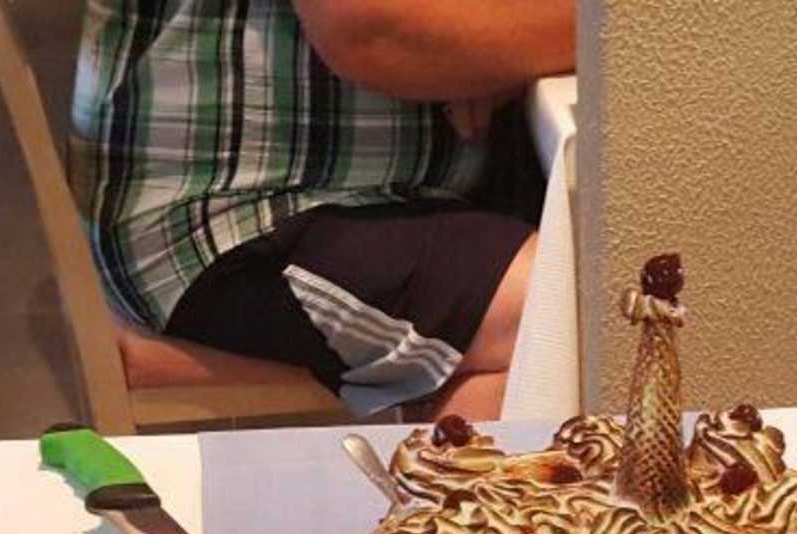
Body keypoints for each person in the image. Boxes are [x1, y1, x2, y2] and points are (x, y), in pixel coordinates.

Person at [73, 0, 574, 421]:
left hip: (360, 193)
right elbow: (370, 29)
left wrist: (500, 41)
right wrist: (579, 31)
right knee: (574, 315)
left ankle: (408, 447)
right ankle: (429, 484)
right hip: (234, 217)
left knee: (573, 314)